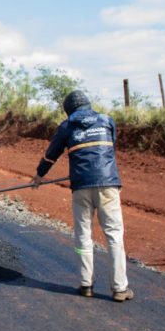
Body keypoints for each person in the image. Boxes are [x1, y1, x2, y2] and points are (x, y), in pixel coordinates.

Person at [31, 90, 133, 302]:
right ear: (88, 104)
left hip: (81, 187)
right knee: (114, 235)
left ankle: (86, 284)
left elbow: (51, 155)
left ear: (68, 110)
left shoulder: (67, 127)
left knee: (83, 235)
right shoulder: (106, 120)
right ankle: (120, 288)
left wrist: (39, 176)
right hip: (108, 185)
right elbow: (109, 148)